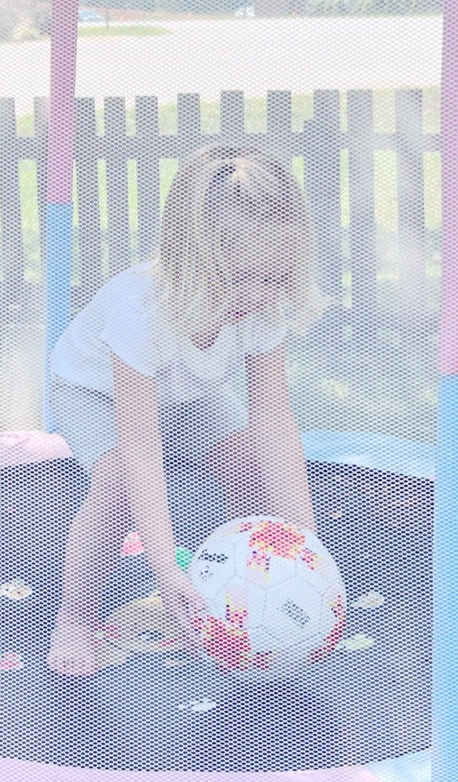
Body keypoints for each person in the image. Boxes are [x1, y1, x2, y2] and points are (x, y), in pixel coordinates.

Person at [47, 143, 321, 676]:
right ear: (190, 262)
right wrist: (163, 564)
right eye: (240, 279)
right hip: (95, 392)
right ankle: (75, 619)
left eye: (275, 278)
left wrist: (303, 539)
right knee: (120, 481)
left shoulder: (263, 303)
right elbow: (143, 449)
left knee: (247, 459)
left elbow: (274, 421)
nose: (259, 294)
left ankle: (240, 582)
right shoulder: (141, 312)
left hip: (187, 393)